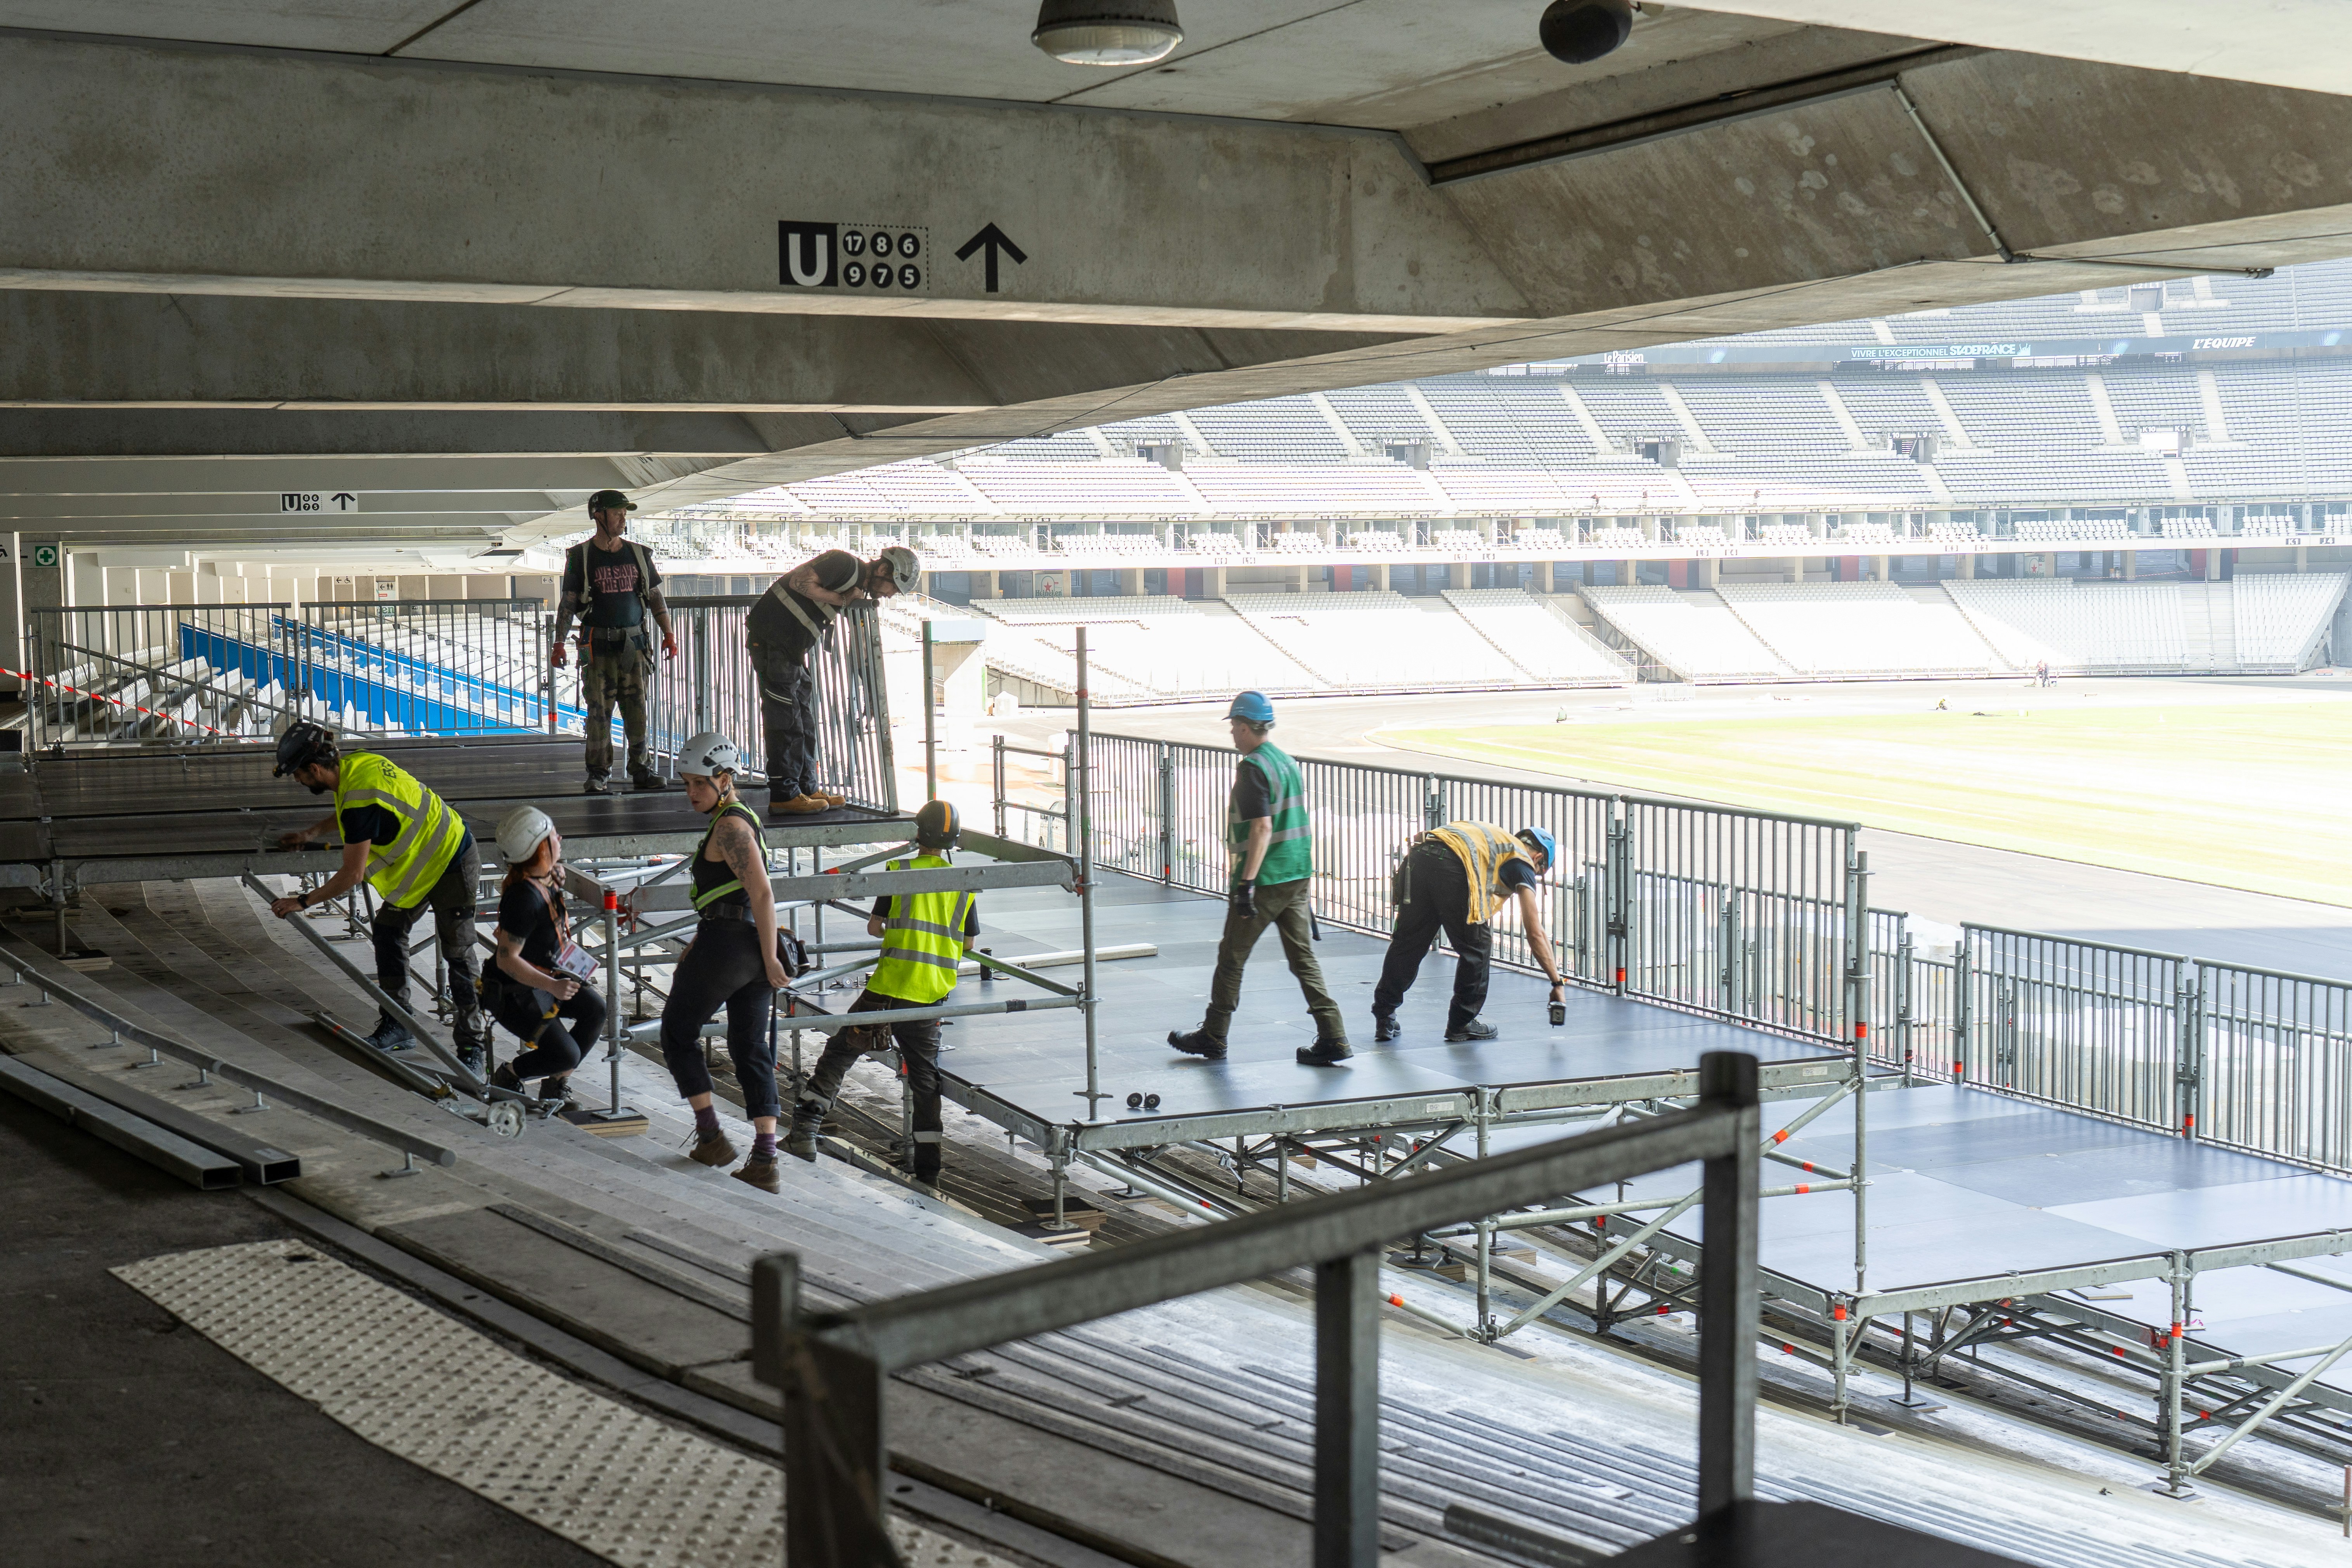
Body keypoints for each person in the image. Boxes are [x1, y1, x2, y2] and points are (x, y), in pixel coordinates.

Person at [269, 721, 490, 1068]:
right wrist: (312, 832)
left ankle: (474, 1047)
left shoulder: (359, 798)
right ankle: (399, 1023)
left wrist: (303, 902)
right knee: (388, 932)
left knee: (458, 953)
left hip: (452, 860)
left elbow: (352, 874)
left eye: (298, 775)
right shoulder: (357, 765)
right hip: (423, 864)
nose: (298, 782)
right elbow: (351, 810)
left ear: (314, 769)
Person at [786, 799, 973, 1188]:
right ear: (953, 841)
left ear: (917, 835)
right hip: (928, 996)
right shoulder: (963, 883)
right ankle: (928, 1172)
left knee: (841, 1053)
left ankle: (804, 1131)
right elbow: (969, 942)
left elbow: (876, 927)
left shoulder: (898, 869)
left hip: (888, 988)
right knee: (925, 1083)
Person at [1167, 691, 1350, 1067]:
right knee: (1303, 959)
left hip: (1266, 877)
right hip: (1296, 872)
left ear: (1249, 727)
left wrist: (1246, 883)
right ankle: (1333, 1034)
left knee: (1231, 957)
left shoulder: (1253, 767)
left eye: (1235, 725)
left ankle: (1214, 1035)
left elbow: (1263, 827)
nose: (1232, 733)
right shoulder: (1286, 760)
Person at [656, 730, 789, 1192]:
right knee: (750, 1046)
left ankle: (711, 1135)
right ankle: (765, 1158)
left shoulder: (730, 827)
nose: (691, 792)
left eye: (698, 783)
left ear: (725, 779)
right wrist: (762, 957)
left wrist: (772, 959)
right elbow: (735, 896)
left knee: (677, 1030)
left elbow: (763, 892)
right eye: (687, 783)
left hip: (733, 945)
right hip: (744, 945)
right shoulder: (740, 819)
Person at [743, 545, 919, 815]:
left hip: (789, 650)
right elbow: (799, 582)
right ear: (883, 569)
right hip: (772, 642)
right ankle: (784, 795)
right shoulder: (845, 565)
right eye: (893, 587)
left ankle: (806, 788)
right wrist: (844, 600)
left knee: (804, 721)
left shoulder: (857, 587)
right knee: (786, 720)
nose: (889, 595)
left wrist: (871, 689)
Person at [1371, 822, 1568, 1044]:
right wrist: (1557, 983)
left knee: (1408, 944)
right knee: (1477, 947)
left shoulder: (1497, 840)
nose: (1534, 874)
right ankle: (1461, 1023)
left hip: (1420, 855)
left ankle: (1385, 1017)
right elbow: (1536, 934)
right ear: (1539, 857)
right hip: (1453, 870)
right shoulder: (1521, 862)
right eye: (1540, 871)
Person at [551, 489, 678, 796]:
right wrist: (558, 643)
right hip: (597, 647)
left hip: (633, 646)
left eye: (624, 513)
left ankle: (642, 770)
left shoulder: (639, 554)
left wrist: (669, 633)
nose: (623, 519)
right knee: (599, 713)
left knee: (638, 711)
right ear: (599, 516)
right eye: (618, 513)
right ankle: (598, 773)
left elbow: (655, 597)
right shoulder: (578, 558)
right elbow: (568, 603)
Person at [480, 805, 605, 1106]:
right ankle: (510, 1074)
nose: (560, 838)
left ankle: (556, 1084)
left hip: (544, 979)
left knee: (596, 1011)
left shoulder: (541, 878)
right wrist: (553, 987)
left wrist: (554, 873)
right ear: (540, 849)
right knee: (567, 1054)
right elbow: (507, 960)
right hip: (516, 994)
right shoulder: (523, 899)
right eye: (553, 835)